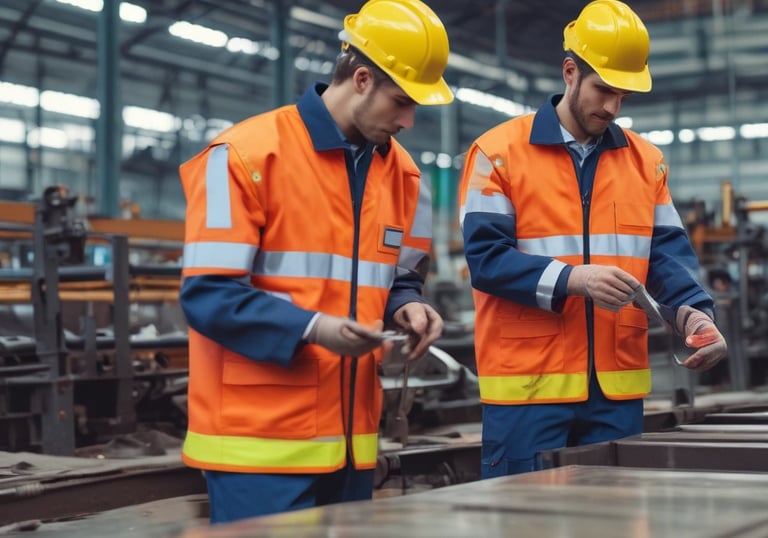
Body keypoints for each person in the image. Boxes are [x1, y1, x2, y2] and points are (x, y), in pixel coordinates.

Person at [177, 0, 452, 524]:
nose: (409, 121)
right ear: (364, 79)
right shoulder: (244, 156)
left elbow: (400, 279)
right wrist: (312, 327)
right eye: (401, 102)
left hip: (350, 441)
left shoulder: (406, 178)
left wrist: (409, 308)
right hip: (257, 444)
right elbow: (208, 294)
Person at [457, 0, 727, 479]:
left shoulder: (647, 162)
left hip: (616, 391)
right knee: (525, 521)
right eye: (603, 89)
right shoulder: (496, 154)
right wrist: (571, 278)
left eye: (622, 95)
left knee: (617, 522)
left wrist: (695, 312)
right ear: (569, 72)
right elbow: (486, 259)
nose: (611, 107)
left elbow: (664, 255)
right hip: (529, 391)